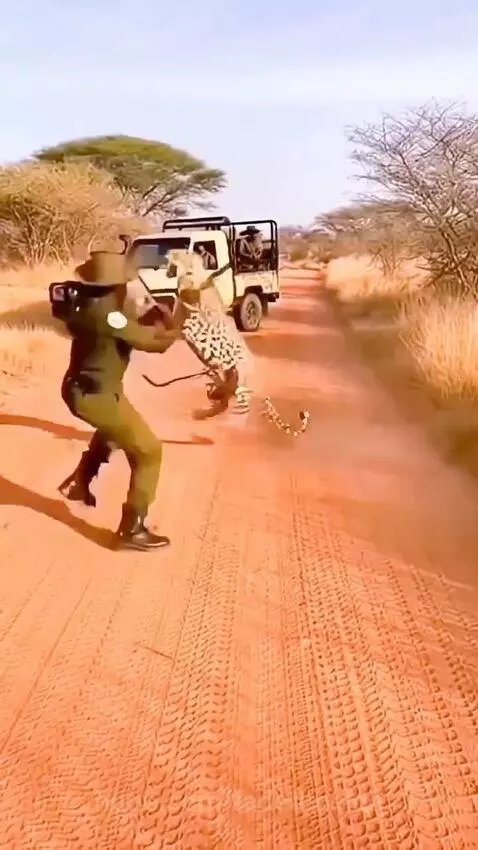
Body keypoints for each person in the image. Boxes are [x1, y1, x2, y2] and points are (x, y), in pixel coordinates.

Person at [56, 250, 182, 552]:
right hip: (96, 396)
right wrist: (174, 325)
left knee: (115, 430)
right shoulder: (108, 314)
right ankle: (132, 529)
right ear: (115, 286)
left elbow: (119, 329)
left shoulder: (85, 304)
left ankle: (80, 480)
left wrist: (143, 321)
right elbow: (152, 343)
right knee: (149, 451)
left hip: (85, 390)